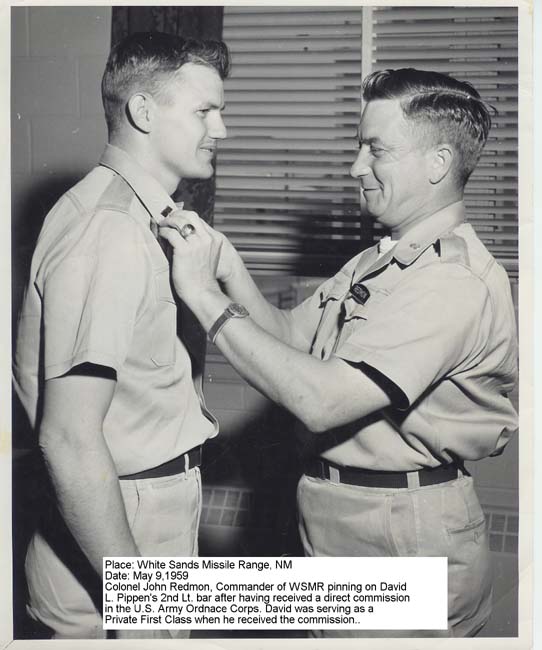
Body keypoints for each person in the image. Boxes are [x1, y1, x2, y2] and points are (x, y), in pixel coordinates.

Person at [159, 68, 518, 637]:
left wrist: (202, 297)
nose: (356, 166)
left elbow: (319, 400)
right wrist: (227, 266)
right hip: (337, 512)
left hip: (401, 532)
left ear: (438, 162)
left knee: (156, 601)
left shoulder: (453, 282)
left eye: (375, 149)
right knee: (158, 601)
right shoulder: (383, 256)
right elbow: (287, 336)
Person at [13, 31, 229, 639]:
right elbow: (68, 439)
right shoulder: (109, 229)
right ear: (142, 110)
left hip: (140, 504)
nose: (221, 129)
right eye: (205, 111)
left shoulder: (143, 216)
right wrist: (141, 605)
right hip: (118, 517)